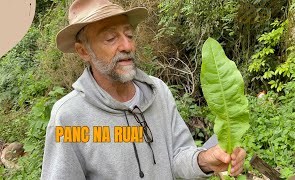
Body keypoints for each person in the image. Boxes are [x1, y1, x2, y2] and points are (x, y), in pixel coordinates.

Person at [41, 0, 246, 179]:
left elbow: (177, 157)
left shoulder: (158, 92)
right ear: (83, 50)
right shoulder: (69, 116)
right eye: (111, 39)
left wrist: (204, 160)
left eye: (129, 35)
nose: (127, 46)